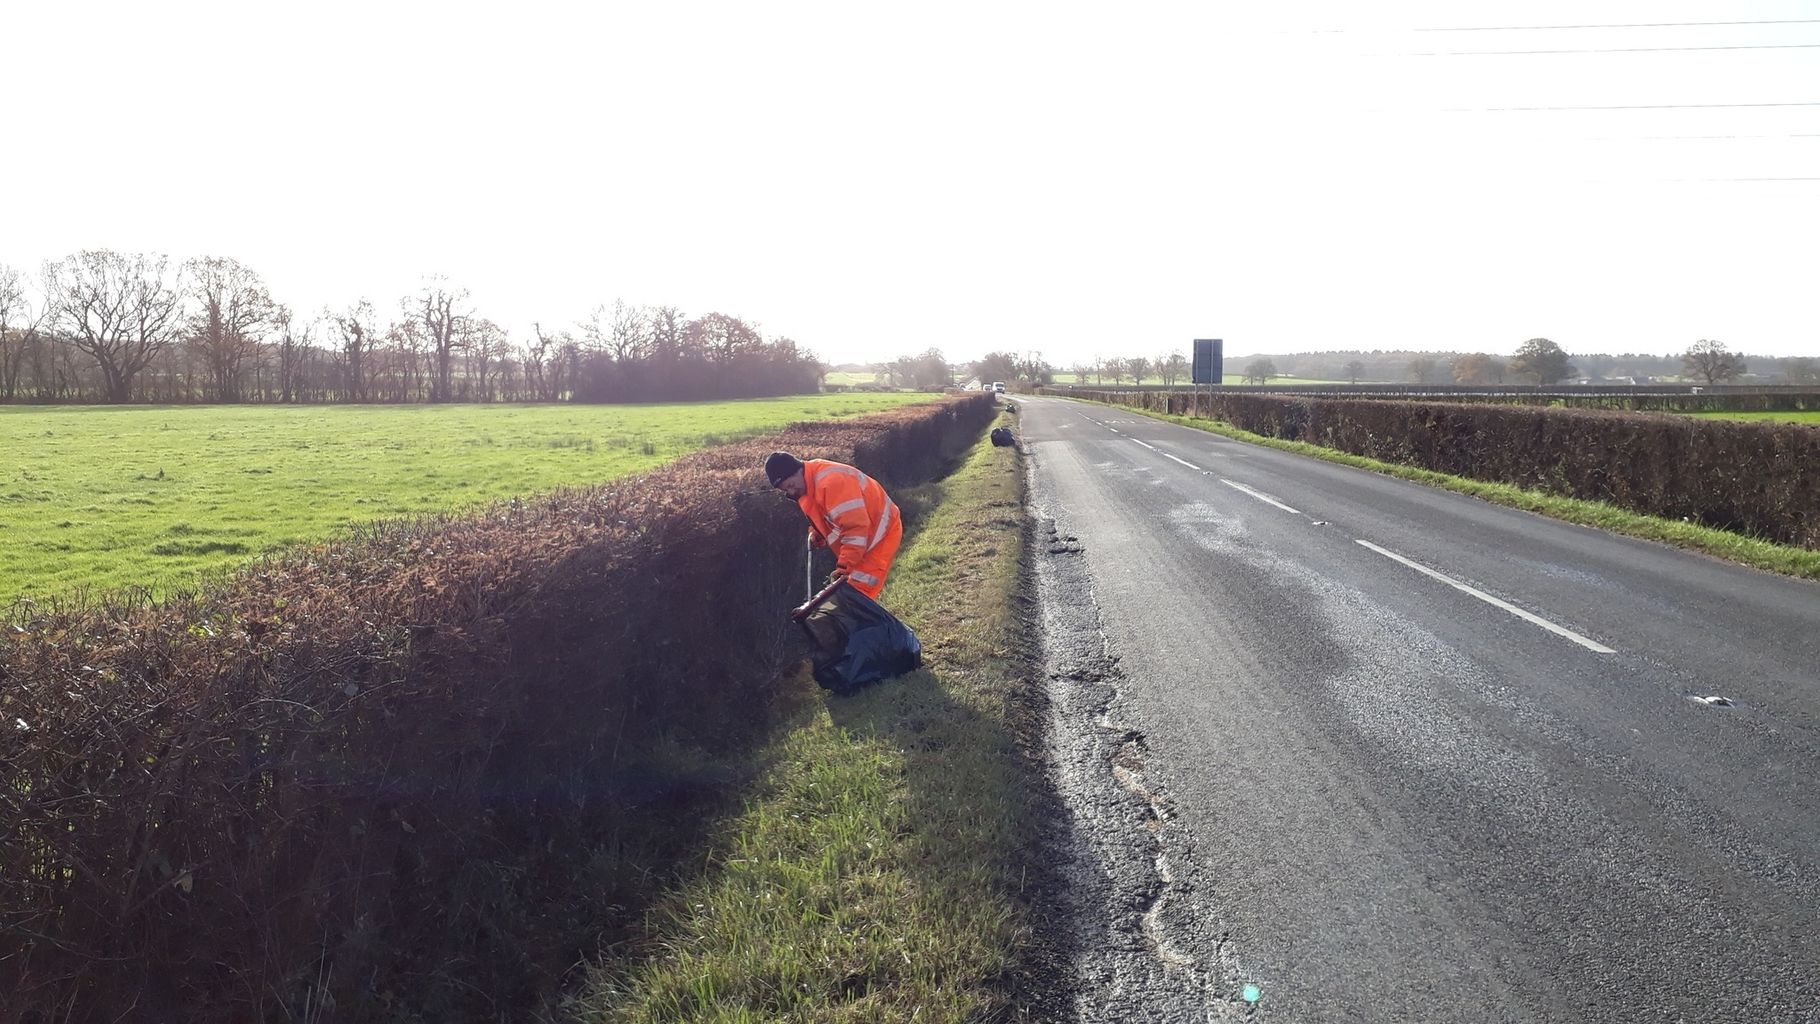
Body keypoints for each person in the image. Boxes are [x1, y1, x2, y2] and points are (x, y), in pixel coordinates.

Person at [765, 450, 902, 600]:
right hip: (863, 537)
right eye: (785, 490)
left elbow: (855, 529)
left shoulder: (831, 482)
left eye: (791, 484)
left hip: (880, 535)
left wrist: (844, 567)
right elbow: (826, 512)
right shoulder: (808, 483)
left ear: (799, 469)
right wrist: (818, 532)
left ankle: (877, 623)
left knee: (859, 595)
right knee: (854, 597)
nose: (791, 491)